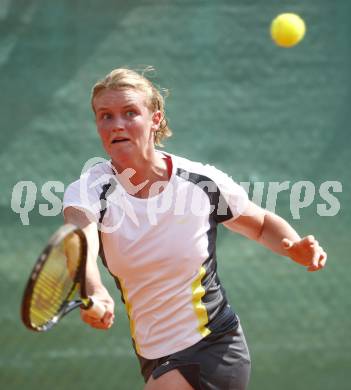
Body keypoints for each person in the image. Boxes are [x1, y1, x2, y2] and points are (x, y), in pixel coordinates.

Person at [63, 68, 327, 390]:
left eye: (130, 112)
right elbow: (80, 243)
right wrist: (93, 290)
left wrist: (293, 244)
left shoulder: (200, 182)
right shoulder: (89, 190)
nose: (116, 124)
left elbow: (259, 225)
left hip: (211, 345)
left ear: (155, 119)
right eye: (106, 116)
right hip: (152, 353)